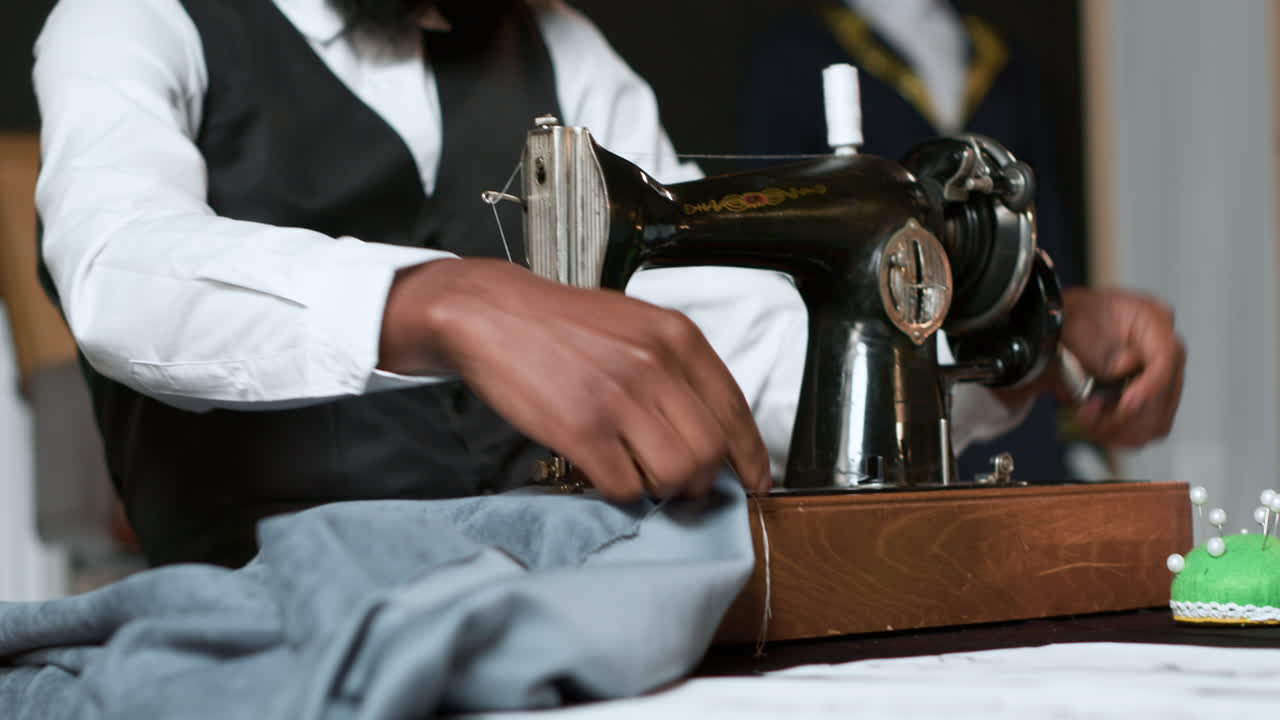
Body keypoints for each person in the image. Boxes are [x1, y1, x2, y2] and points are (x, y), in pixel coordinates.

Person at [32, 0, 1185, 569]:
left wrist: (1001, 337)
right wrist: (446, 300)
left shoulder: (557, 49)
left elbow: (740, 342)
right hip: (271, 646)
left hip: (562, 636)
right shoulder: (132, 17)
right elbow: (119, 270)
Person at [743, 0, 1096, 483]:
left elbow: (1041, 222)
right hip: (870, 352)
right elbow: (775, 222)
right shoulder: (793, 57)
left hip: (1002, 360)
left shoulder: (1003, 61)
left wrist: (1057, 338)